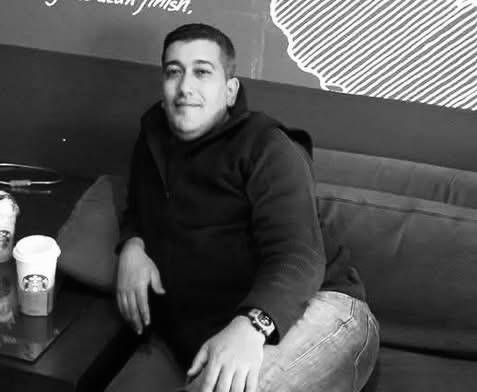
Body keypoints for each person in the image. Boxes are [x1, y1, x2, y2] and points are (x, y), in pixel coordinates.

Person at [106, 23, 379, 392]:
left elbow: (299, 256)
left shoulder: (267, 146)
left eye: (202, 72)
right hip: (216, 329)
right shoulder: (153, 137)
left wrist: (251, 325)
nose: (185, 87)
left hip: (321, 307)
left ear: (230, 90)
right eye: (174, 72)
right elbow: (138, 208)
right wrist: (132, 246)